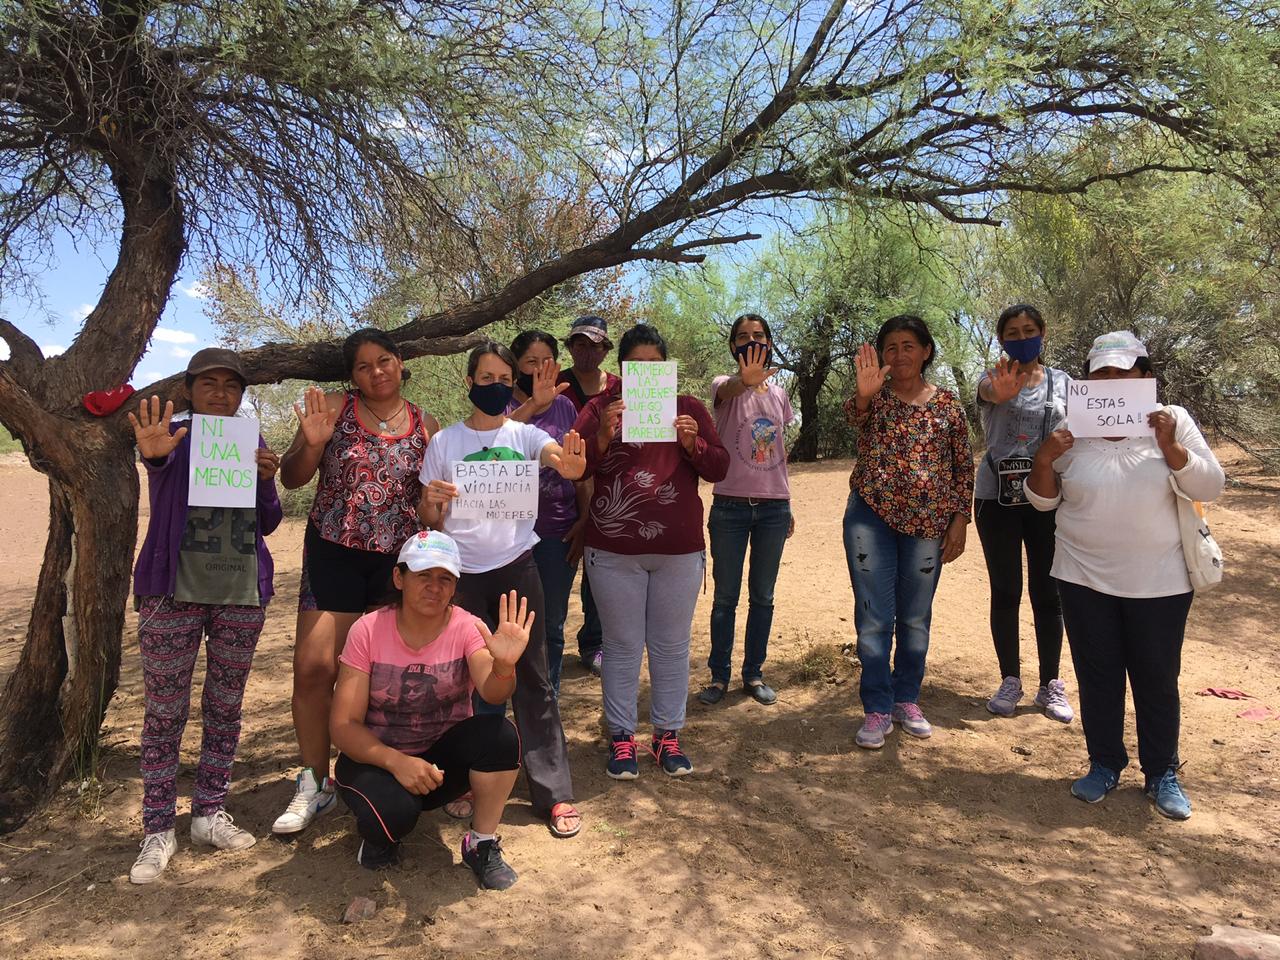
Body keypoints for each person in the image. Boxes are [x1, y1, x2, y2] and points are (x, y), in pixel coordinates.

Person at [1026, 331, 1224, 819]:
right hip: (1082, 574)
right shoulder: (1070, 425)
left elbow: (1210, 485)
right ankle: (1105, 763)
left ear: (1143, 376)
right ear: (1088, 380)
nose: (1111, 381)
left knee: (1157, 676)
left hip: (1160, 579)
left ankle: (1162, 773)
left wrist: (1171, 448)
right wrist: (1045, 459)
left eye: (1122, 372)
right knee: (1098, 675)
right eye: (1100, 374)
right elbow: (1043, 499)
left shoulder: (1172, 420)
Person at [273, 329, 439, 836]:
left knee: (386, 676)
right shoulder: (333, 409)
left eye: (383, 360)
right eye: (364, 366)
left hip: (396, 564)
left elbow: (428, 501)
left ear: (400, 361)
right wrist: (312, 444)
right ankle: (314, 782)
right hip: (334, 553)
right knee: (315, 667)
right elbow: (292, 477)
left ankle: (380, 773)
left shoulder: (425, 424)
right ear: (352, 375)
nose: (376, 372)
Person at [418, 342, 587, 838]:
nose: (493, 387)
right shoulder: (444, 444)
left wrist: (568, 464)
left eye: (502, 379)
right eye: (484, 378)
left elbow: (555, 455)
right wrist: (431, 503)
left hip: (517, 570)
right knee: (468, 683)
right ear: (468, 383)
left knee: (533, 679)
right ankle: (470, 782)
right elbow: (429, 518)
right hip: (461, 579)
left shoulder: (526, 435)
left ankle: (553, 794)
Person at [127, 348, 283, 884]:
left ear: (241, 395)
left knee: (225, 706)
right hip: (171, 591)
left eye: (231, 386)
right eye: (209, 384)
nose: (220, 393)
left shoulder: (250, 440)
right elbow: (160, 466)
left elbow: (268, 523)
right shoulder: (170, 434)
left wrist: (266, 478)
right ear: (190, 389)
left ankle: (209, 812)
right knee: (164, 712)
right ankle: (156, 829)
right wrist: (154, 457)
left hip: (239, 592)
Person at [573, 324, 729, 778]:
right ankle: (622, 739)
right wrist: (602, 435)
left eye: (654, 367)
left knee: (671, 647)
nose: (645, 374)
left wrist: (691, 442)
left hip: (678, 551)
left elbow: (719, 466)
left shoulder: (687, 409)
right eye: (636, 366)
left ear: (666, 369)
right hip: (612, 550)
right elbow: (572, 467)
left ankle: (667, 737)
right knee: (621, 646)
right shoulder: (600, 408)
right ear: (622, 368)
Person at [331, 531, 529, 887]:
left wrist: (503, 666)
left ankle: (481, 843)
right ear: (399, 578)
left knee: (501, 736)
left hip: (438, 765)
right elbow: (343, 726)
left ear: (455, 587)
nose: (434, 587)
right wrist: (397, 762)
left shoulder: (468, 627)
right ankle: (380, 837)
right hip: (375, 760)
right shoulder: (368, 630)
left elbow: (494, 693)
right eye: (423, 575)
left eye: (445, 579)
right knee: (396, 814)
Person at [844, 315, 973, 750]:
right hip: (870, 519)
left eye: (908, 345)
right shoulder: (874, 398)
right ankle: (877, 707)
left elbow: (962, 467)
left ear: (926, 351)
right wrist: (863, 398)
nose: (899, 355)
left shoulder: (949, 405)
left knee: (915, 617)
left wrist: (960, 518)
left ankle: (906, 698)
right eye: (891, 347)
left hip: (929, 525)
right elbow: (854, 420)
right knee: (874, 617)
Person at [975, 304, 1074, 722]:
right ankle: (1009, 679)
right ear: (1001, 340)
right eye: (1012, 332)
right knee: (1006, 589)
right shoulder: (992, 378)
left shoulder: (1066, 383)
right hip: (996, 498)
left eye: (1029, 330)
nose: (1022, 337)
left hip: (1047, 499)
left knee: (1048, 593)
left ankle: (1050, 683)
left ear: (1043, 333)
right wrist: (1000, 392)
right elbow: (986, 394)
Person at [697, 313, 795, 708]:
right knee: (725, 598)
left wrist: (788, 504)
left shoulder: (780, 394)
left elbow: (779, 454)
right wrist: (746, 380)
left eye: (759, 335)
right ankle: (719, 677)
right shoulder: (724, 386)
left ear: (769, 343)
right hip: (730, 508)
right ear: (733, 346)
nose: (751, 340)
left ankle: (753, 673)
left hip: (773, 508)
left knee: (764, 597)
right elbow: (732, 389)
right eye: (743, 336)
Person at [507, 329, 587, 693]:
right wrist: (533, 407)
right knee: (509, 623)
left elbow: (580, 467)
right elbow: (492, 445)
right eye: (530, 362)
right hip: (507, 537)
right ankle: (505, 702)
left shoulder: (566, 405)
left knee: (552, 624)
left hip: (557, 530)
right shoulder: (499, 403)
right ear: (515, 366)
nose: (539, 369)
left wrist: (584, 521)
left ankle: (546, 699)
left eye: (547, 362)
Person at [557, 314, 622, 677]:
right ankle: (549, 641)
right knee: (563, 565)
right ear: (569, 347)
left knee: (599, 573)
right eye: (579, 344)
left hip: (607, 495)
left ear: (605, 349)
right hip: (560, 495)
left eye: (595, 345)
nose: (587, 351)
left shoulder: (620, 388)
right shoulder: (556, 385)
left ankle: (593, 643)